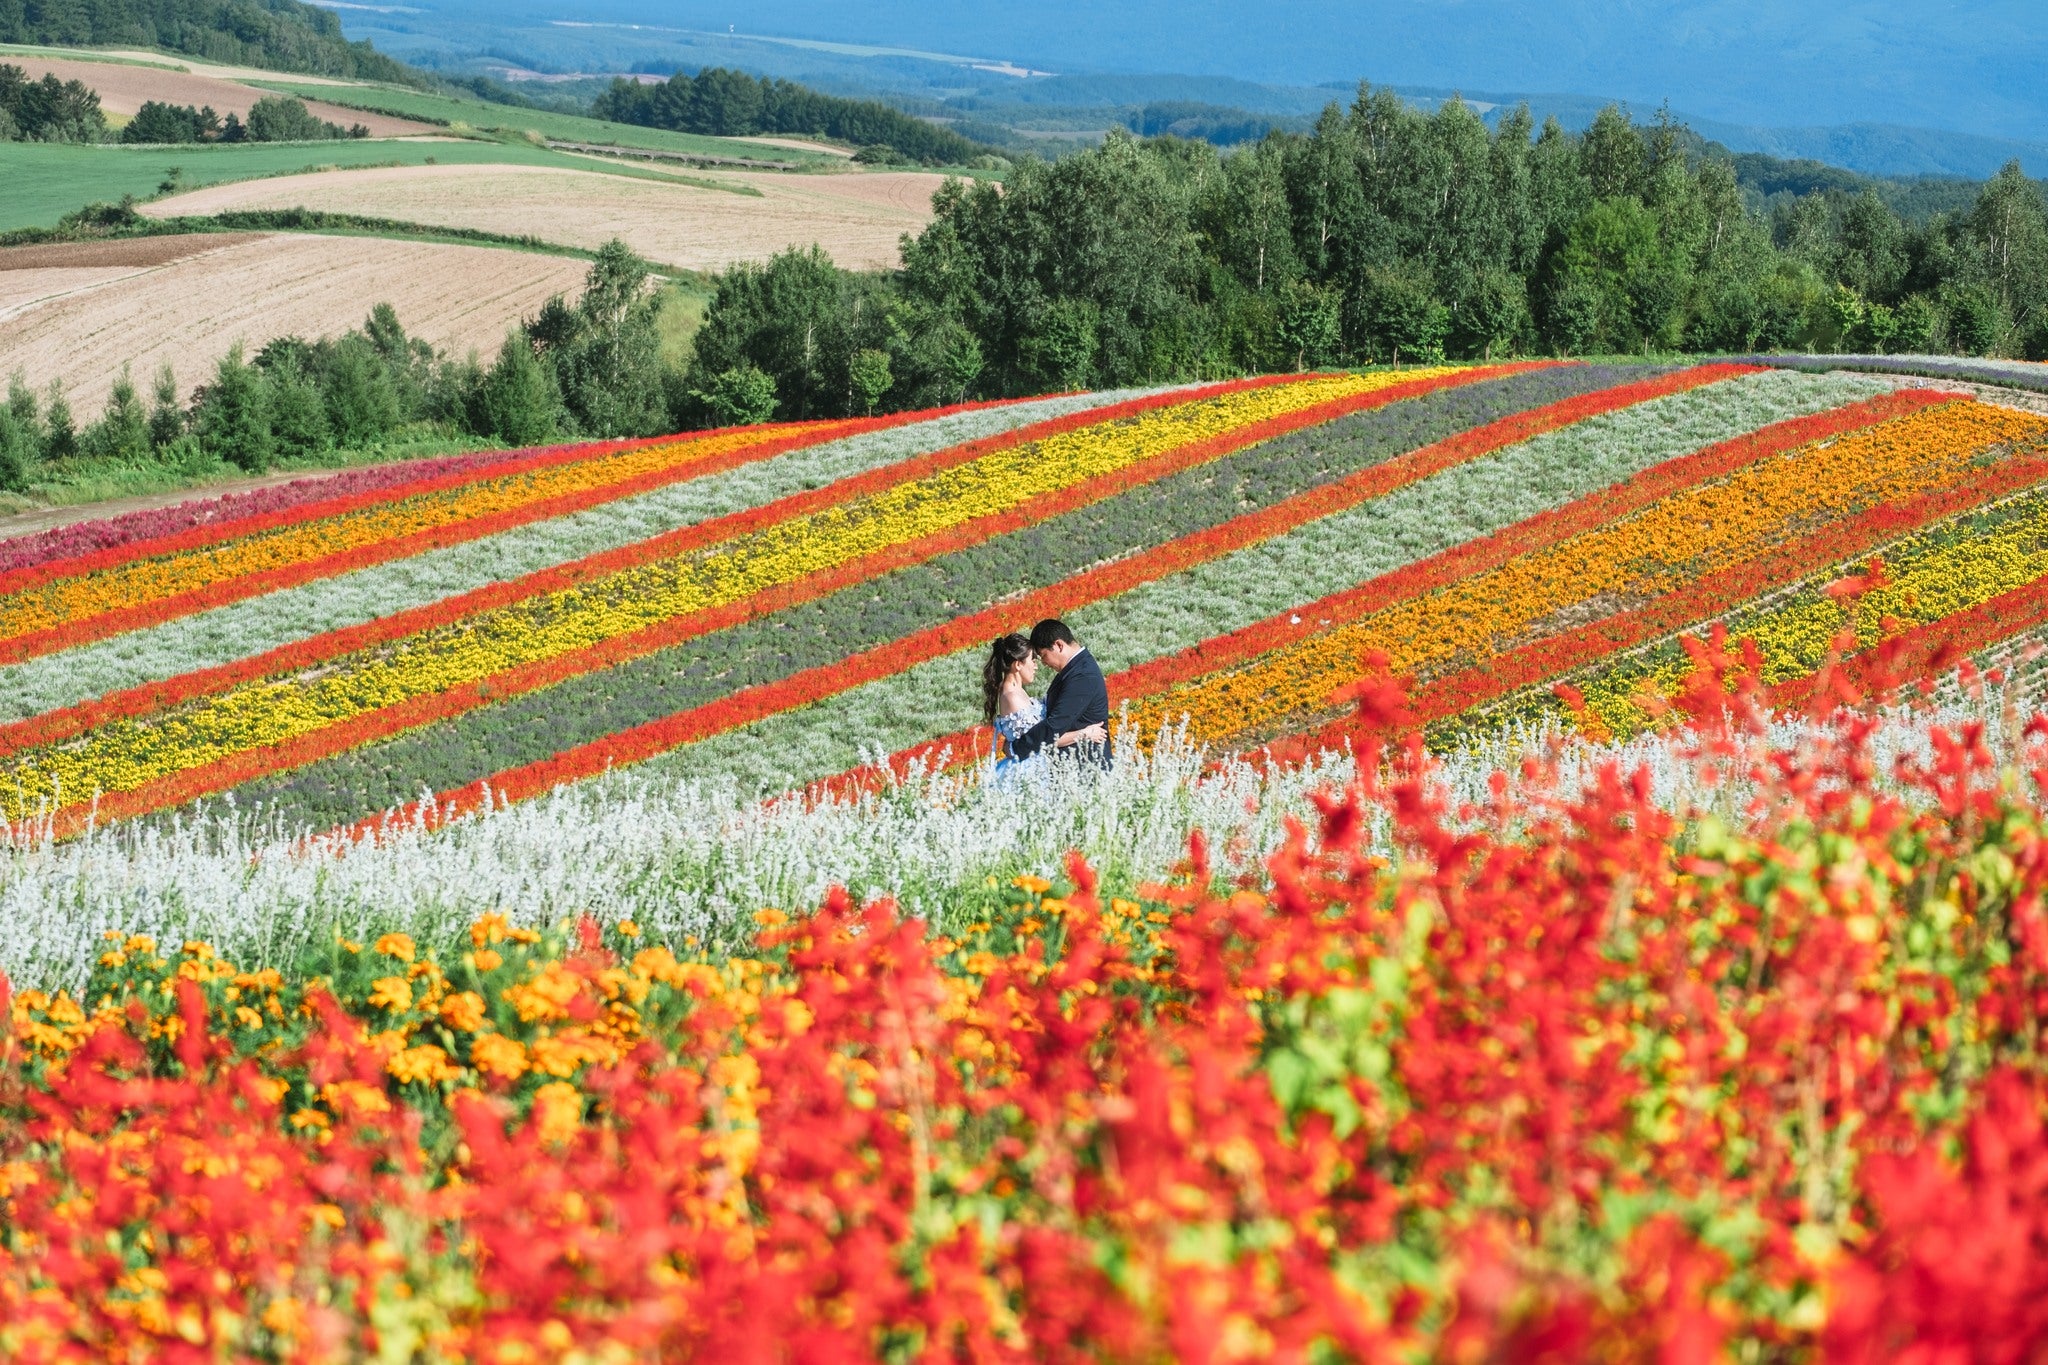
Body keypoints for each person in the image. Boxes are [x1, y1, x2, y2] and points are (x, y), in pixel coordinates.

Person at [983, 630, 1107, 776]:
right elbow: (1041, 740)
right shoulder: (1011, 696)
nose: (1036, 666)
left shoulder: (1018, 692)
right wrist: (1085, 733)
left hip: (1039, 765)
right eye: (1033, 660)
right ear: (1018, 665)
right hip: (1027, 771)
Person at [1008, 618, 1112, 769]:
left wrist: (1017, 748)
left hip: (1087, 768)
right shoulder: (1076, 668)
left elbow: (1056, 724)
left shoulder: (1082, 675)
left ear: (1058, 645)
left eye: (1043, 655)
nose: (1043, 663)